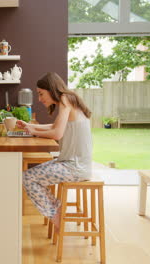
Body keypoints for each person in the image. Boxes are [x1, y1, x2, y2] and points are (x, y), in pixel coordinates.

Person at [17, 72, 92, 229]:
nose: (39, 99)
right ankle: (55, 209)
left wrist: (33, 131)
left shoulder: (65, 99)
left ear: (51, 89)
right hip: (71, 164)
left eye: (41, 94)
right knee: (28, 176)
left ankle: (55, 212)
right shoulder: (68, 99)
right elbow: (54, 127)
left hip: (74, 167)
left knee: (27, 178)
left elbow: (57, 133)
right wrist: (30, 126)